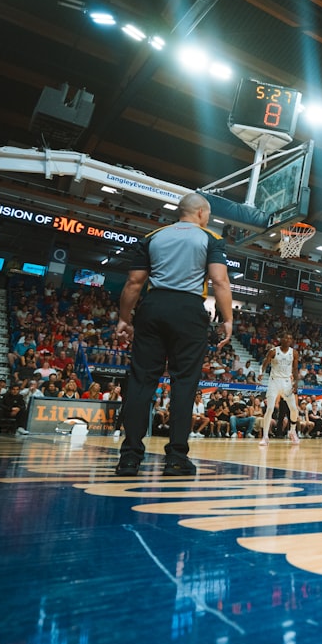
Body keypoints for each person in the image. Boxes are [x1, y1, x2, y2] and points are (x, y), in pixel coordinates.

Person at [113, 192, 232, 476]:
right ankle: (177, 457)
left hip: (153, 307)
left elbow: (133, 282)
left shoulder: (153, 236)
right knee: (184, 385)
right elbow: (219, 279)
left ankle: (129, 457)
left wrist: (124, 318)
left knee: (141, 382)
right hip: (189, 309)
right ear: (202, 213)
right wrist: (227, 318)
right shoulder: (209, 238)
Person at [259, 333, 300, 446]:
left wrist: (296, 382)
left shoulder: (294, 353)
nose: (288, 339)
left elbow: (295, 369)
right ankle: (265, 437)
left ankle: (292, 431)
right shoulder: (273, 351)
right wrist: (261, 373)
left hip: (287, 382)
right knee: (270, 408)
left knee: (294, 409)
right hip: (274, 381)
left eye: (290, 338)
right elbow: (265, 363)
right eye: (286, 337)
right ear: (281, 339)